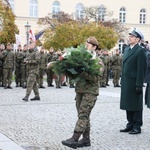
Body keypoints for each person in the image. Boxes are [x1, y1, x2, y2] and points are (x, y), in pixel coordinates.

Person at [62, 37, 103, 149]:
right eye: (86, 43)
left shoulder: (97, 61)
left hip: (90, 92)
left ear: (94, 47)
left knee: (83, 115)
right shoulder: (80, 58)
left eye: (89, 44)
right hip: (80, 90)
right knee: (83, 116)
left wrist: (83, 71)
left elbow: (95, 78)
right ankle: (86, 140)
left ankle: (74, 139)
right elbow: (75, 74)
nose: (86, 45)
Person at [120, 28, 147, 134]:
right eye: (129, 36)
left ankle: (137, 126)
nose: (129, 38)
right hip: (127, 81)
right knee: (128, 104)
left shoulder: (140, 51)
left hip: (135, 82)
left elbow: (142, 69)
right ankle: (130, 124)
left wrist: (139, 84)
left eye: (132, 37)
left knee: (136, 105)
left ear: (137, 39)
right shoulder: (127, 49)